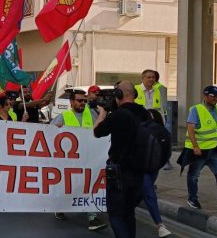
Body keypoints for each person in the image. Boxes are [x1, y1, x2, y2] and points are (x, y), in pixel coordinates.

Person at [94, 81, 149, 238]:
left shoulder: (118, 116)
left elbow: (96, 132)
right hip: (139, 171)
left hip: (119, 173)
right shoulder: (145, 113)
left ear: (118, 95)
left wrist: (103, 114)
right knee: (129, 212)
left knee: (117, 213)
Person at [51, 89, 106, 231]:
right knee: (69, 185)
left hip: (89, 158)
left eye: (84, 101)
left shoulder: (93, 114)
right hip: (70, 161)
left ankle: (92, 217)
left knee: (89, 185)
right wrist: (55, 129)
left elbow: (101, 130)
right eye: (79, 100)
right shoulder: (64, 116)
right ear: (71, 102)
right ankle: (61, 206)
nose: (82, 103)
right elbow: (48, 132)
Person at [142, 109, 172, 237]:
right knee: (149, 193)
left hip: (143, 168)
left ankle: (160, 225)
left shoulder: (142, 129)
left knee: (148, 193)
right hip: (154, 167)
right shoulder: (164, 131)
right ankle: (160, 225)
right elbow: (168, 153)